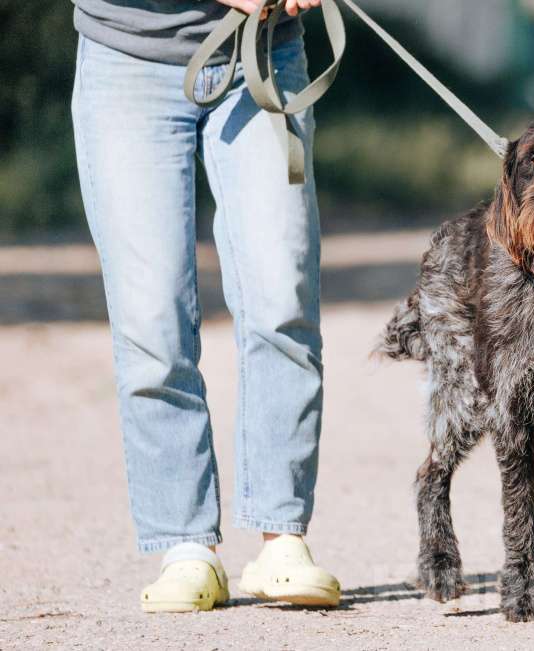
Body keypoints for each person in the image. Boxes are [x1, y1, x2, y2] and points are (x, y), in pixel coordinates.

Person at [70, 0, 340, 612]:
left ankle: (282, 538)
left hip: (266, 55)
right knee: (152, 319)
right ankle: (185, 546)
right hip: (128, 60)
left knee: (282, 294)